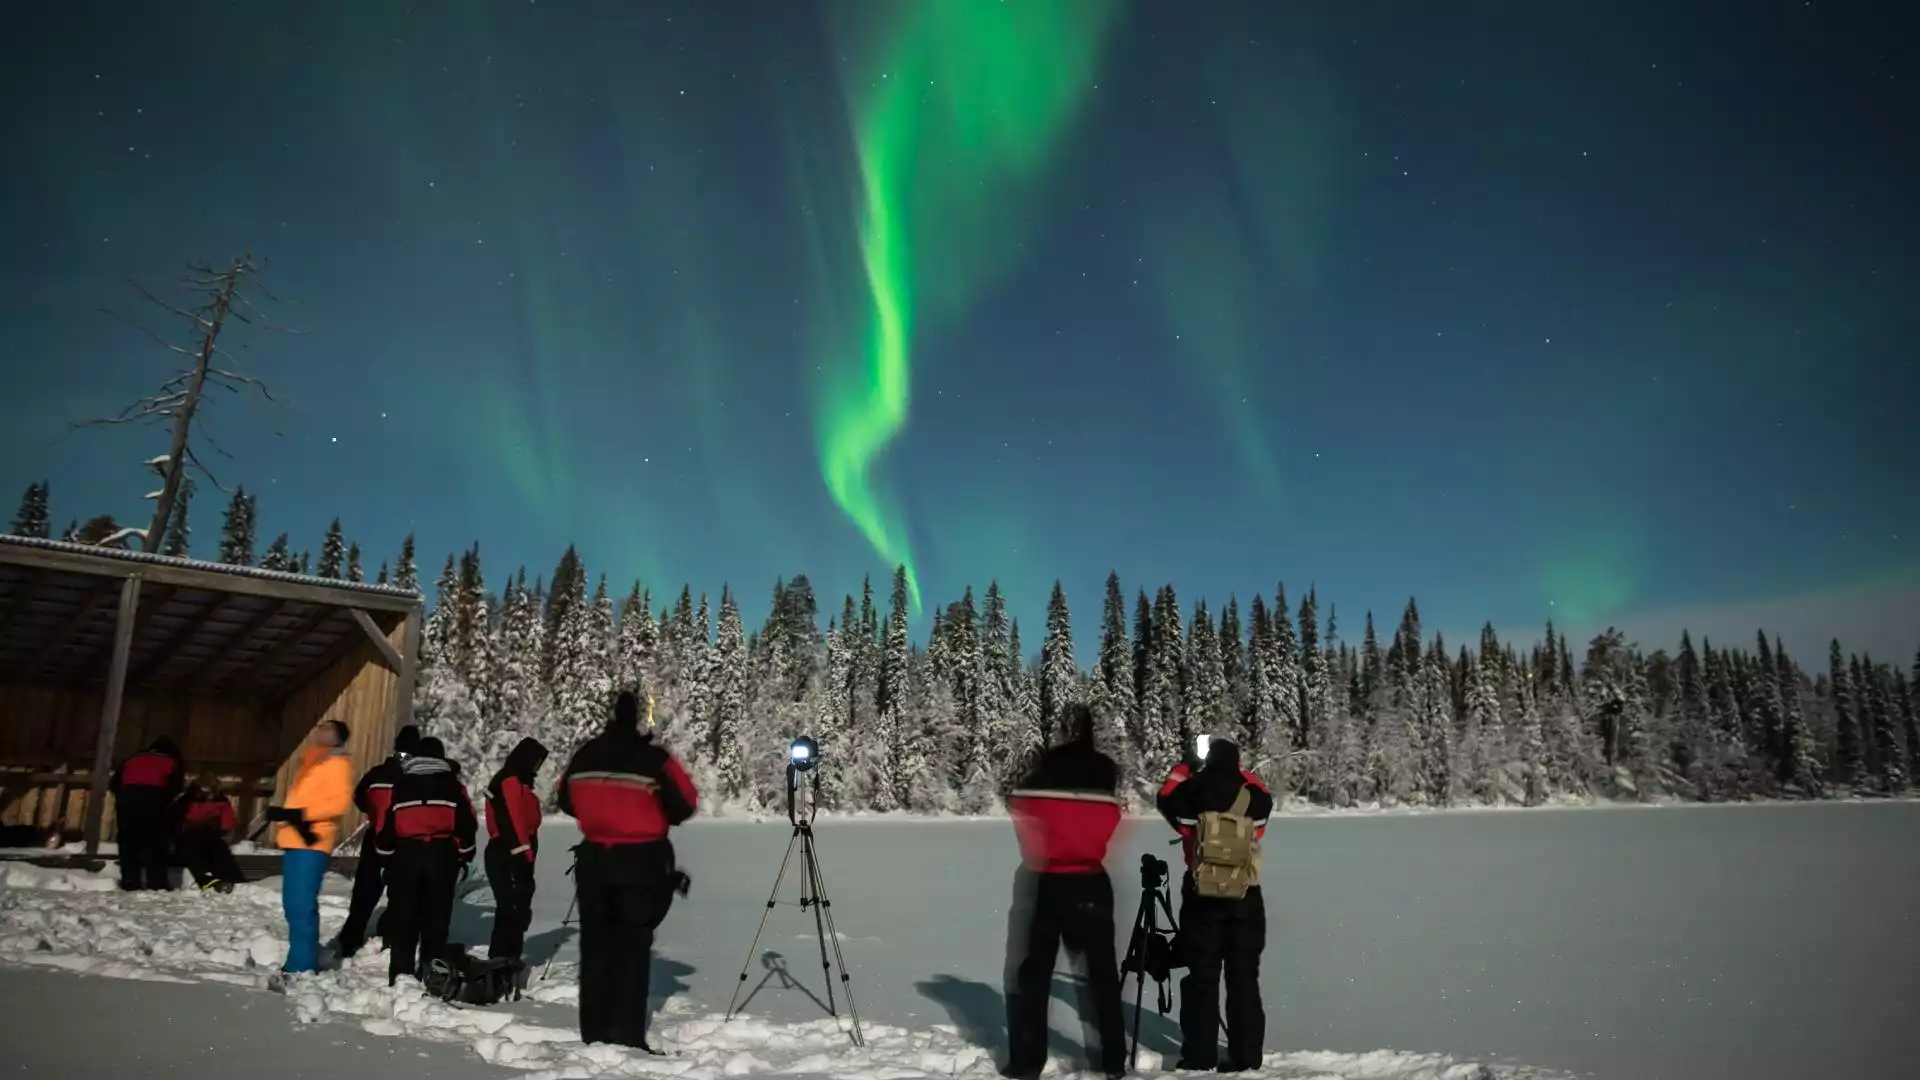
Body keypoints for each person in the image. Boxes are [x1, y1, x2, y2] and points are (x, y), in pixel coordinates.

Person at [558, 690, 697, 1050]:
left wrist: (601, 815)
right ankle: (627, 1035)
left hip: (593, 860)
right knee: (633, 947)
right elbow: (685, 804)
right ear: (637, 719)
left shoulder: (585, 755)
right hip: (640, 859)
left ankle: (594, 1032)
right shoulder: (654, 759)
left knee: (595, 947)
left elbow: (564, 799)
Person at [1003, 703, 1127, 1080]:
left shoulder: (1044, 773)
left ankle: (1027, 1063)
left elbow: (1017, 806)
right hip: (1092, 879)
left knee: (1034, 975)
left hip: (1049, 880)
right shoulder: (1107, 773)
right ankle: (1113, 1062)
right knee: (1104, 977)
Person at [1156, 737, 1273, 1073]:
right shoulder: (1256, 797)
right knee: (1244, 980)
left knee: (1201, 978)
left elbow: (1164, 798)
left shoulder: (1191, 791)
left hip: (1200, 896)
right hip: (1245, 896)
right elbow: (1262, 796)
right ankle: (1246, 1057)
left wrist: (1186, 767)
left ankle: (1199, 1055)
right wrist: (1241, 772)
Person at [373, 735, 476, 987]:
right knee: (437, 917)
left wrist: (386, 855)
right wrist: (465, 852)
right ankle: (433, 972)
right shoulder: (452, 786)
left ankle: (400, 974)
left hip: (406, 855)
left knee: (404, 915)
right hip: (441, 855)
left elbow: (387, 826)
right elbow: (466, 825)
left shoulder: (402, 784)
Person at [268, 719, 354, 977]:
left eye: (328, 728)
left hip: (313, 839)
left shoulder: (337, 763)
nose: (320, 730)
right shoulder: (309, 761)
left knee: (300, 903)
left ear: (338, 737)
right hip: (294, 838)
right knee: (292, 903)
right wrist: (286, 814)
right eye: (319, 727)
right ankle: (301, 957)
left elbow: (339, 804)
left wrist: (300, 814)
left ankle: (301, 965)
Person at [338, 724, 421, 958]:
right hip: (404, 840)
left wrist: (373, 813)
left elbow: (358, 797)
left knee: (365, 891)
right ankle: (390, 935)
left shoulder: (376, 773)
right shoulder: (414, 776)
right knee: (402, 892)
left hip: (375, 835)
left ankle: (350, 939)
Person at [484, 736, 549, 963]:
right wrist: (523, 852)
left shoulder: (518, 781)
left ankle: (508, 958)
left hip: (517, 849)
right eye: (536, 762)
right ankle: (502, 959)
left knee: (515, 908)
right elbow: (510, 817)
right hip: (509, 851)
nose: (537, 768)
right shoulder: (509, 781)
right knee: (511, 909)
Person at [108, 735, 184, 890]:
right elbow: (176, 787)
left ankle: (130, 881)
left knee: (128, 841)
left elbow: (114, 783)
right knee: (155, 842)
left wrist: (125, 797)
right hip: (154, 797)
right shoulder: (171, 761)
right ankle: (157, 883)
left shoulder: (132, 759)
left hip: (127, 797)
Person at [176, 774, 243, 892]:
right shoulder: (185, 801)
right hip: (189, 834)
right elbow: (176, 818)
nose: (207, 793)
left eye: (210, 789)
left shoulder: (221, 801)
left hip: (210, 833)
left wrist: (225, 830)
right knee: (192, 850)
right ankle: (206, 880)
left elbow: (227, 820)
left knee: (219, 849)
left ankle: (233, 879)